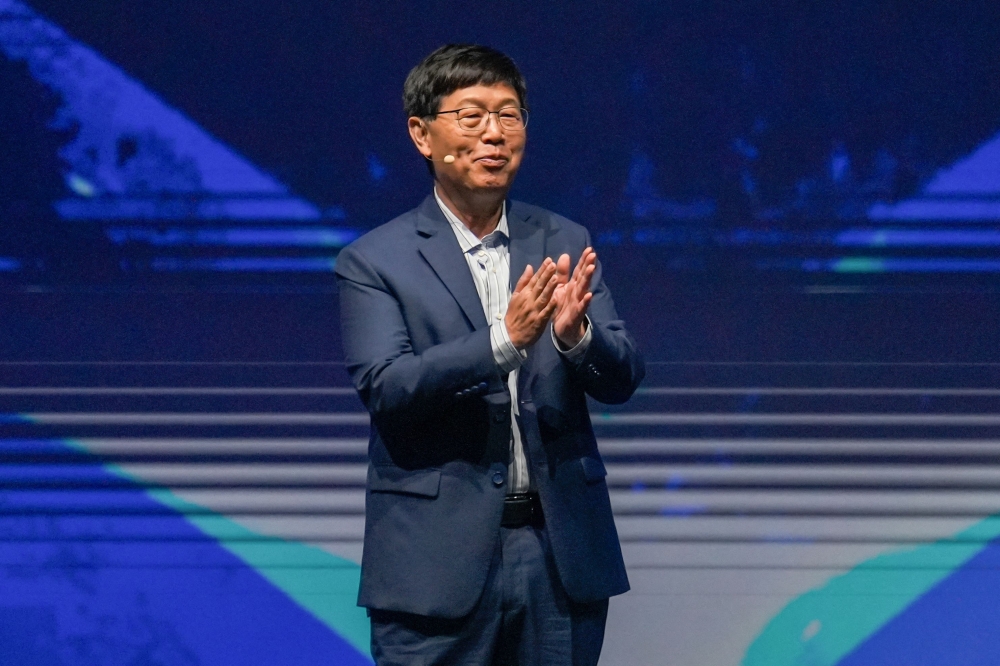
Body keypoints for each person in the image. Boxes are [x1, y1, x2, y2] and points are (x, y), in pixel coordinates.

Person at [335, 43, 645, 665]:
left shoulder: (564, 239)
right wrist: (502, 342)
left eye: (509, 116)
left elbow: (622, 376)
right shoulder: (374, 260)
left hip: (557, 553)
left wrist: (574, 338)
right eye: (471, 117)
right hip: (435, 563)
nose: (494, 135)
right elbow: (388, 387)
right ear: (422, 135)